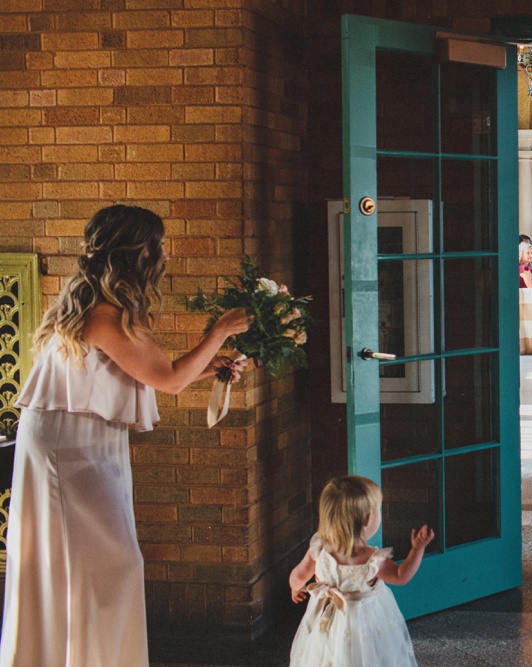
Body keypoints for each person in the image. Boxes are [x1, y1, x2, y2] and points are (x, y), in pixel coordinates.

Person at [1, 204, 251, 667]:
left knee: (90, 566)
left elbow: (154, 373)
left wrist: (207, 366)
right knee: (110, 565)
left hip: (83, 443)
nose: (166, 255)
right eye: (158, 245)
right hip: (70, 451)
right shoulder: (102, 314)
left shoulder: (102, 305)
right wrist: (220, 331)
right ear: (135, 253)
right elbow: (170, 380)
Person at [288, 475, 434, 667]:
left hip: (328, 623)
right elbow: (401, 576)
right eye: (378, 510)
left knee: (327, 656)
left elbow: (297, 576)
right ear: (366, 520)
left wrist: (296, 588)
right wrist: (417, 549)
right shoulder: (371, 560)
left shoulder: (319, 550)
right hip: (365, 627)